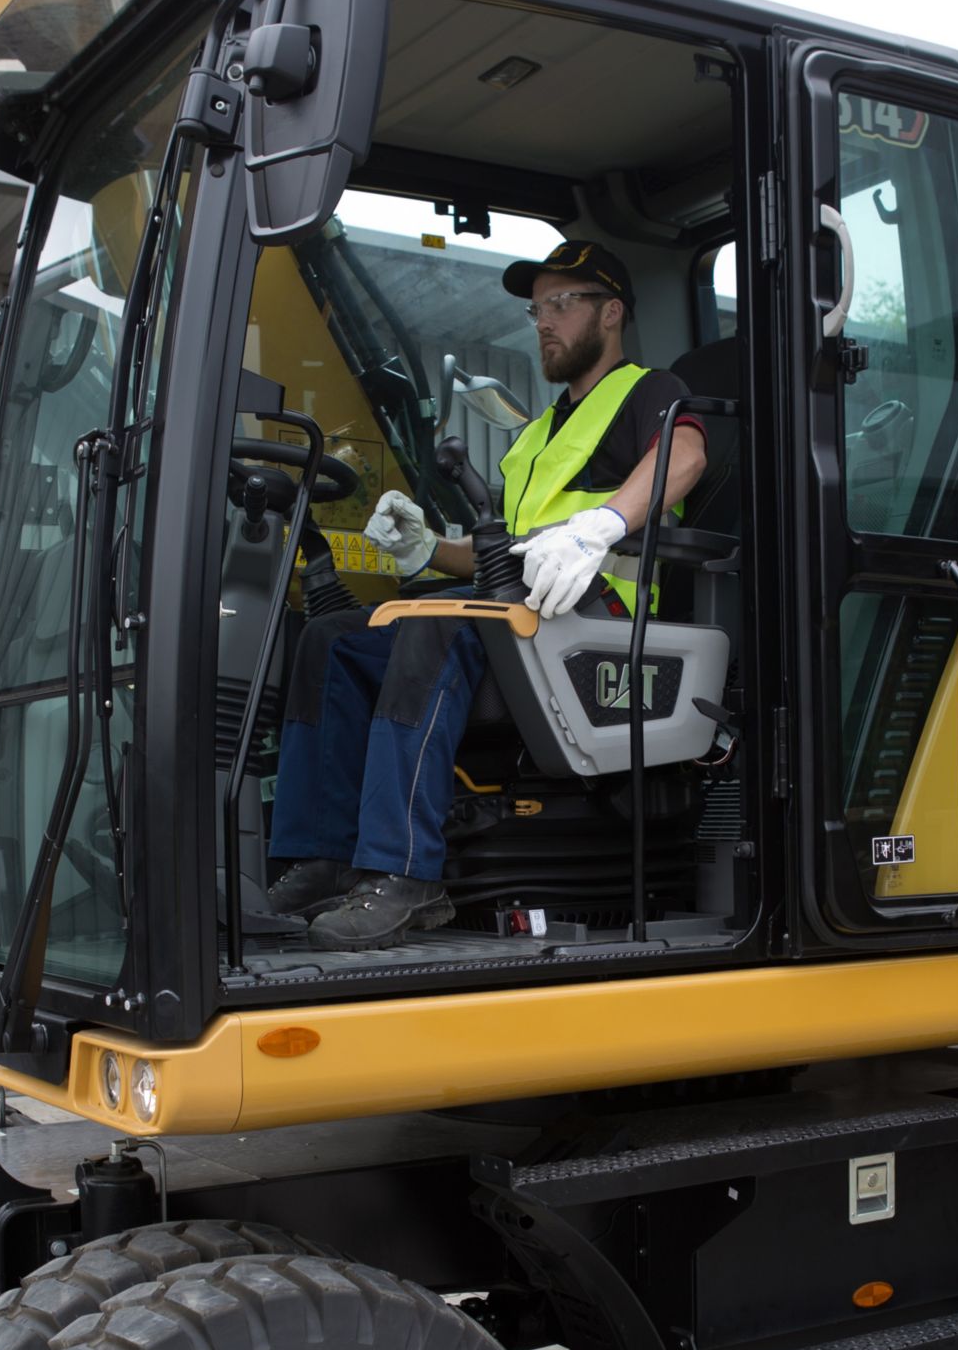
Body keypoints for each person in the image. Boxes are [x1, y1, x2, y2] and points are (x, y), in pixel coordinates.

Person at [265, 240, 709, 950]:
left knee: (433, 627)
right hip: (521, 614)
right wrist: (426, 548)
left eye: (562, 304)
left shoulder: (648, 390)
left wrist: (601, 525)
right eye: (537, 310)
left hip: (601, 624)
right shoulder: (536, 434)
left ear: (611, 312)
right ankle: (322, 855)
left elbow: (684, 457)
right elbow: (506, 550)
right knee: (333, 639)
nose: (544, 322)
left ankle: (405, 875)